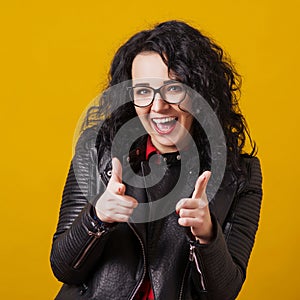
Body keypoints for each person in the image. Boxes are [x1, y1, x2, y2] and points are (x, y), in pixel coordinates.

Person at [50, 20, 263, 300]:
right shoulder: (97, 150)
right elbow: (64, 268)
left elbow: (224, 293)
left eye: (174, 88)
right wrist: (97, 217)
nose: (158, 106)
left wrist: (207, 235)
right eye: (143, 91)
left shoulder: (239, 174)